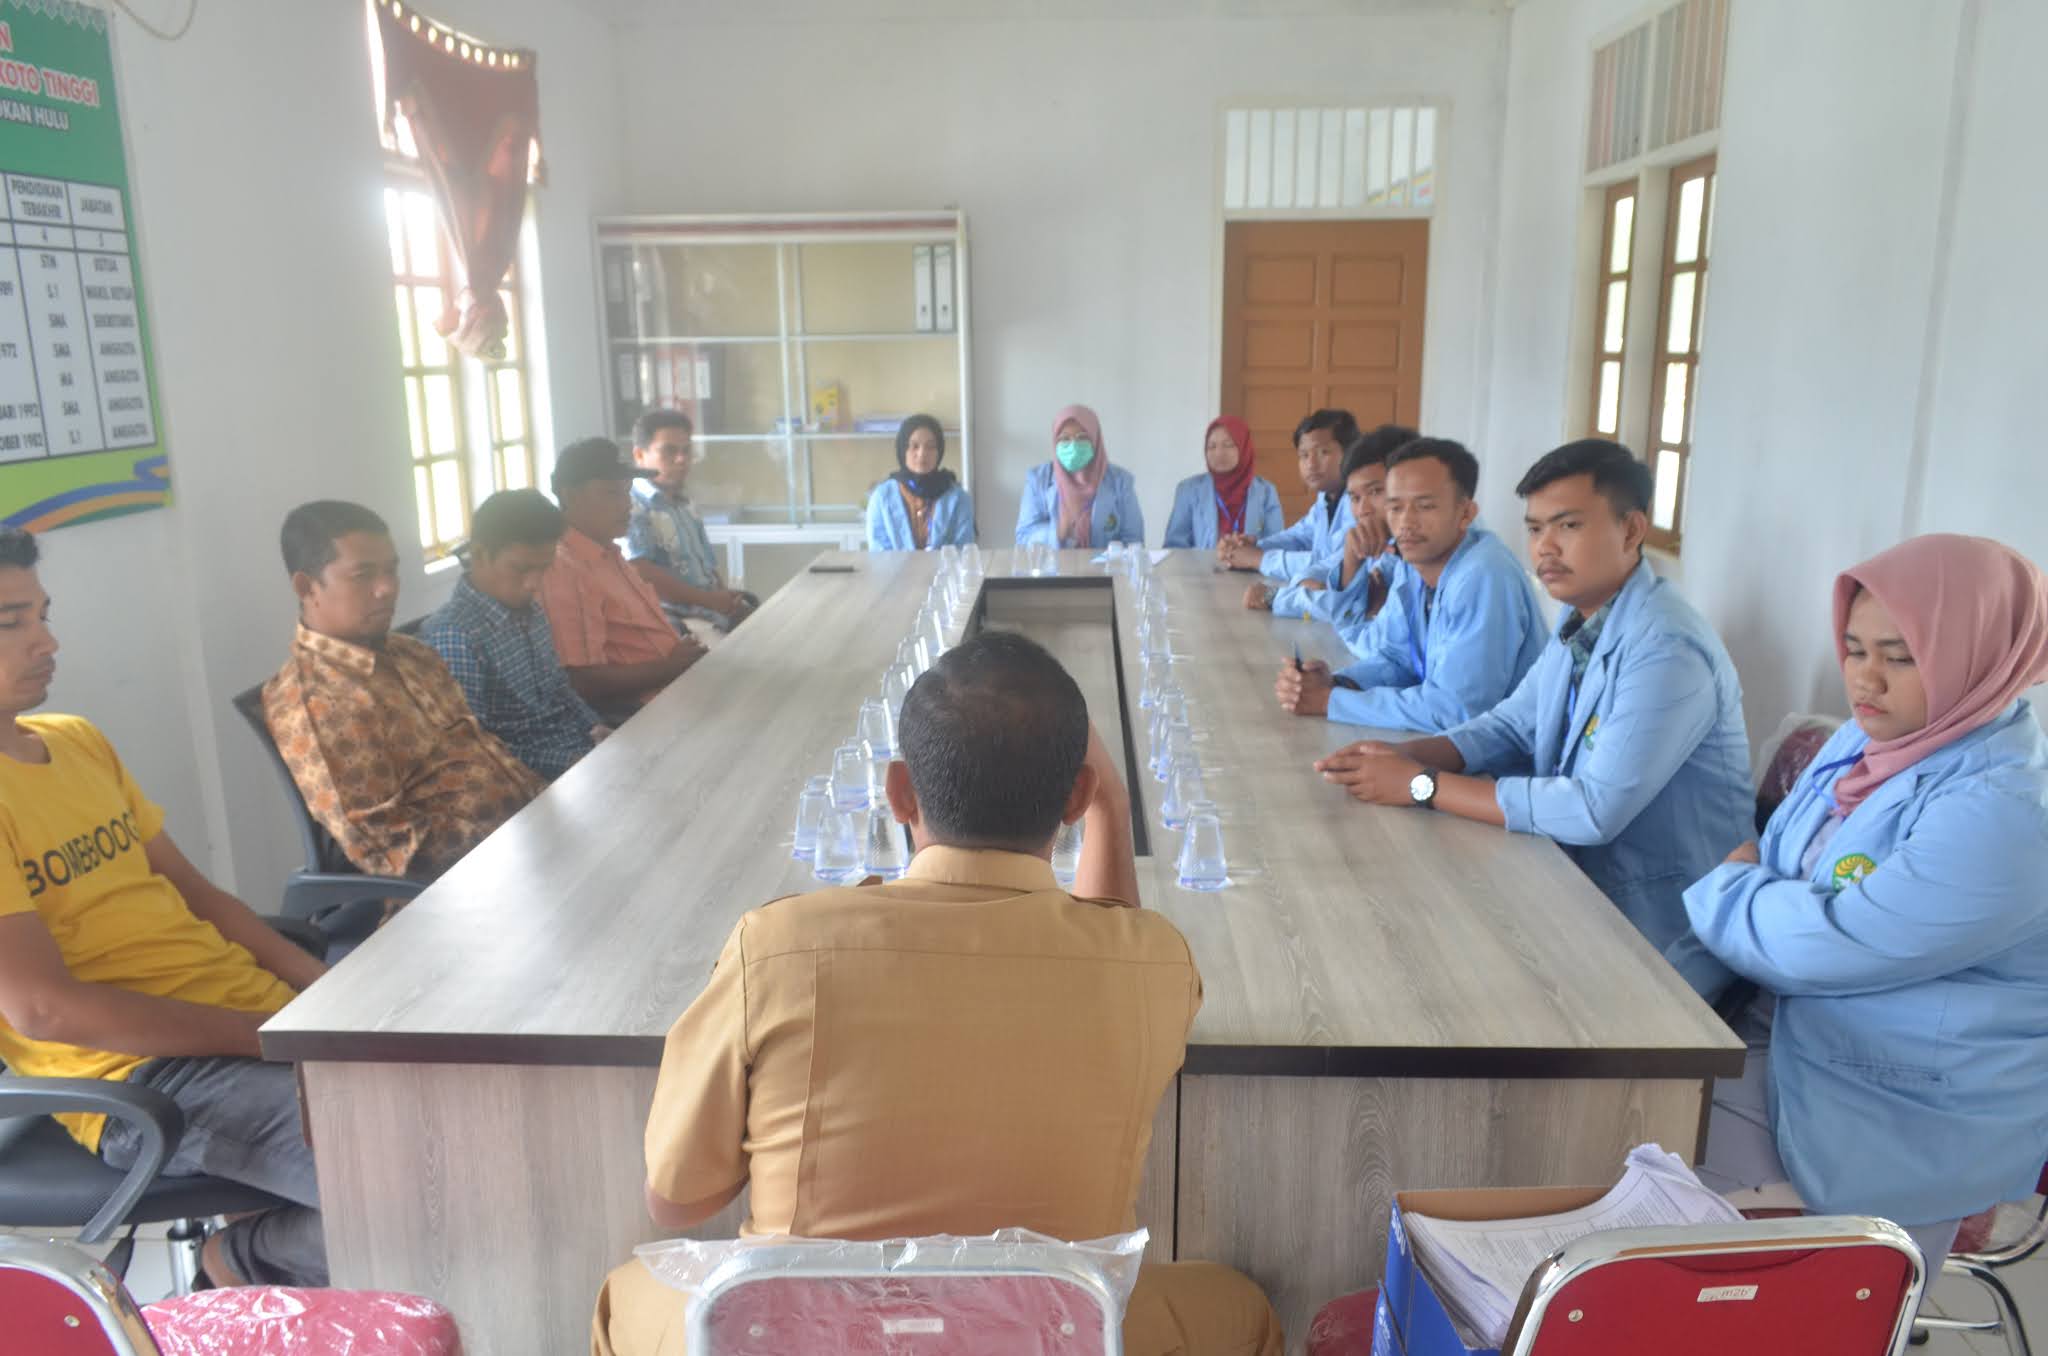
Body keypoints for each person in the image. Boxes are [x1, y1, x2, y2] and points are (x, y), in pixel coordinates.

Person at [589, 631, 1282, 1356]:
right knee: (1242, 1309)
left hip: (798, 1340)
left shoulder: (778, 946)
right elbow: (1114, 935)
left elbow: (676, 1201)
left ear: (898, 792)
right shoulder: (1154, 960)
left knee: (621, 1298)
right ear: (1076, 797)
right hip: (1052, 1337)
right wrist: (1110, 802)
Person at [1674, 533, 2048, 1273]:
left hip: (1887, 1101)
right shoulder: (1867, 744)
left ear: (1978, 656)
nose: (1865, 679)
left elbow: (1830, 942)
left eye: (1900, 657)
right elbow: (1777, 879)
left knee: (1639, 1189)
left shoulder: (2004, 810)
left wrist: (1730, 889)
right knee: (1597, 1118)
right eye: (1853, 649)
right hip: (1791, 1036)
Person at [0, 527, 329, 1288]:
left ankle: (271, 1254)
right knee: (429, 1168)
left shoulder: (76, 741)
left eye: (43, 615)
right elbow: (43, 1010)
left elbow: (198, 895)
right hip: (150, 1077)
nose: (47, 641)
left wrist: (325, 991)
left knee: (469, 1100)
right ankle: (242, 1261)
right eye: (10, 623)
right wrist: (265, 1038)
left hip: (252, 1021)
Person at [1314, 440, 1752, 951]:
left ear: (1631, 530)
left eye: (1568, 526)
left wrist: (1421, 785)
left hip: (1662, 924)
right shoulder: (1583, 615)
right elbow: (1511, 724)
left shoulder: (1667, 648)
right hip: (1572, 881)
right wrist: (1405, 755)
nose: (1545, 548)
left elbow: (1594, 809)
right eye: (1536, 529)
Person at [263, 500, 542, 880]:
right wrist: (517, 843)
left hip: (527, 834)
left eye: (390, 570)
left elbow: (482, 751)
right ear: (306, 586)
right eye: (363, 575)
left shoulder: (410, 653)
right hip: (469, 881)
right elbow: (388, 848)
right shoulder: (318, 701)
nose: (387, 589)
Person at [1275, 438, 1544, 733]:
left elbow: (1456, 709)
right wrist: (1341, 683)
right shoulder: (1414, 562)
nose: (1406, 522)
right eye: (1395, 507)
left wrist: (1331, 701)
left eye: (1425, 506)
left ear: (1466, 513)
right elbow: (1398, 658)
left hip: (1504, 754)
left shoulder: (1484, 574)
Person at [421, 489, 611, 783]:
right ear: (479, 554)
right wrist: (570, 761)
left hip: (582, 756)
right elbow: (475, 748)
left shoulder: (531, 612)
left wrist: (596, 727)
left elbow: (559, 689)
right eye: (521, 569)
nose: (534, 584)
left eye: (544, 569)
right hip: (527, 783)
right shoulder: (455, 637)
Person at [543, 437, 707, 716]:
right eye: (611, 494)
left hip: (675, 689)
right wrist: (669, 667)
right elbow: (581, 681)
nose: (626, 505)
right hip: (642, 713)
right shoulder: (565, 568)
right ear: (570, 496)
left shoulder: (608, 552)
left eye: (627, 492)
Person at [624, 409, 758, 638]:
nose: (681, 459)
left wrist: (724, 598)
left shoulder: (684, 503)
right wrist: (709, 600)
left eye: (686, 450)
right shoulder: (632, 506)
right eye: (669, 451)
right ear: (639, 455)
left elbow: (707, 566)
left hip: (710, 610)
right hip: (677, 621)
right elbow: (640, 571)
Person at [1279, 424, 1414, 640]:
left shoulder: (1425, 553)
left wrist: (1368, 613)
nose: (1363, 510)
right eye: (1355, 498)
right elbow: (1319, 573)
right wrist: (1350, 567)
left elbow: (1381, 640)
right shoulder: (1385, 546)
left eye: (1375, 491)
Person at [1228, 409, 1358, 613]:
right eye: (1304, 455)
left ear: (1350, 454)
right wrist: (1251, 546)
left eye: (1323, 452)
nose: (1311, 464)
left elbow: (1332, 564)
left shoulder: (1359, 503)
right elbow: (1300, 535)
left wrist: (1258, 559)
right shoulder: (1326, 497)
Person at [1014, 404, 1145, 549]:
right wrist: (1057, 532)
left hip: (1108, 564)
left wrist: (1111, 556)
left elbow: (1134, 541)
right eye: (1065, 438)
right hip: (1053, 564)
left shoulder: (1120, 481)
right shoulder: (1038, 480)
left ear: (1095, 440)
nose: (1073, 446)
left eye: (1082, 437)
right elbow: (1023, 537)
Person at [1162, 416, 1284, 550]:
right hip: (1200, 564)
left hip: (1252, 564)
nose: (1219, 453)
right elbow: (1174, 547)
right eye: (1211, 446)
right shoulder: (1188, 490)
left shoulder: (1266, 492)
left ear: (1244, 447)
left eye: (1228, 445)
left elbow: (1276, 546)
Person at [865, 413, 976, 550]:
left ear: (939, 451)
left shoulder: (958, 498)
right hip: (895, 565)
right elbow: (879, 553)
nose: (922, 453)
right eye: (914, 446)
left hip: (944, 565)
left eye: (931, 446)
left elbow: (963, 551)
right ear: (903, 450)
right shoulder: (882, 497)